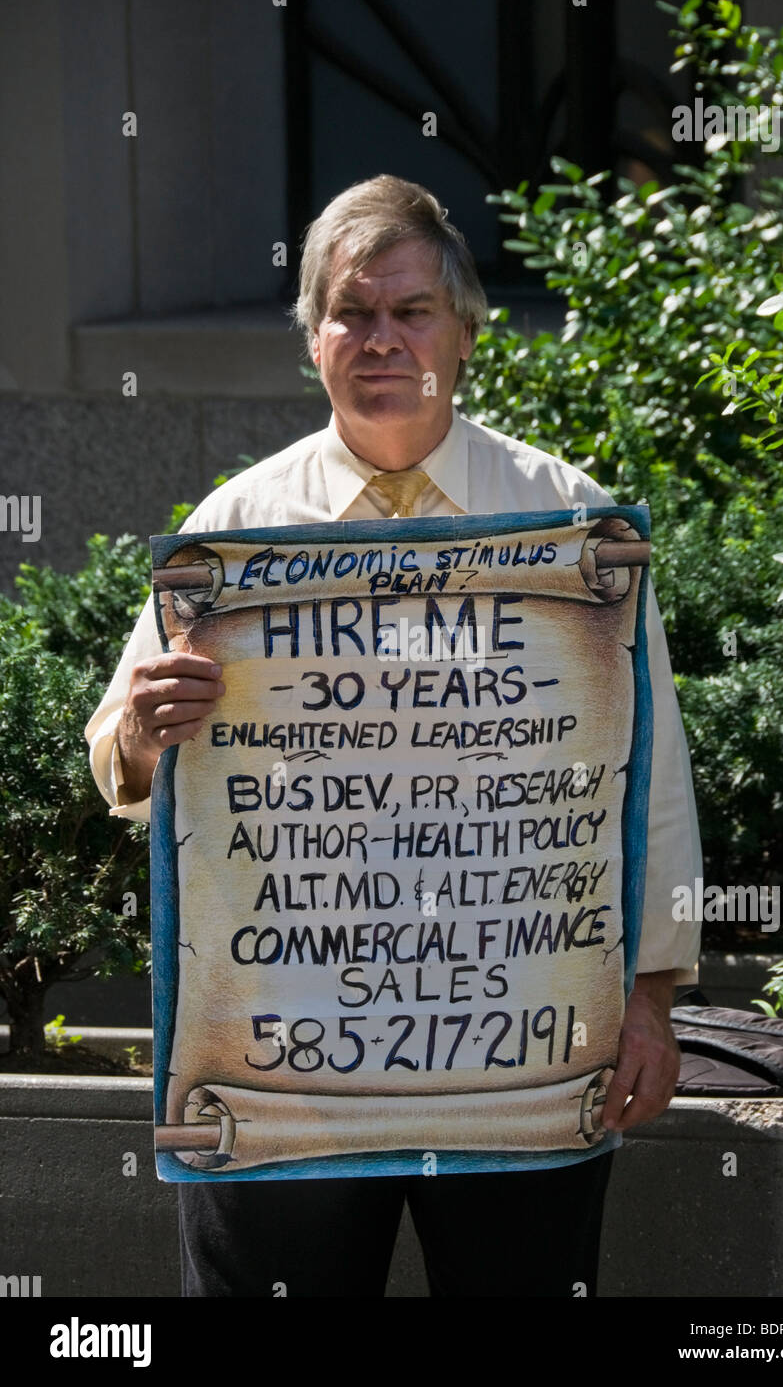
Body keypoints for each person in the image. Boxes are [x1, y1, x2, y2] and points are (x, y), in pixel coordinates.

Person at [85, 174, 702, 1298]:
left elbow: (646, 775)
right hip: (288, 1062)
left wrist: (652, 1000)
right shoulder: (233, 536)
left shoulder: (571, 527)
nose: (380, 339)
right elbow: (120, 770)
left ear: (462, 331)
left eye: (408, 310)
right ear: (312, 340)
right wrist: (140, 728)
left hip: (518, 1045)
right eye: (349, 312)